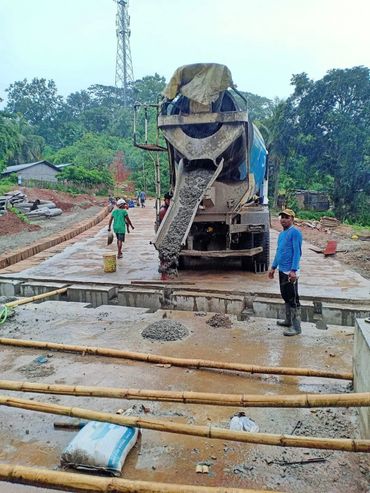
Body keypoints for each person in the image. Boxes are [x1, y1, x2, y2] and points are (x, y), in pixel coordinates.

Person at [268, 208, 303, 336]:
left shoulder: (295, 233)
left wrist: (293, 270)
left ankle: (296, 327)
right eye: (282, 217)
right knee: (285, 296)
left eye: (286, 217)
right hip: (282, 270)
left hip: (290, 271)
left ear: (292, 219)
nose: (283, 219)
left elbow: (297, 252)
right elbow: (279, 252)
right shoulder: (282, 234)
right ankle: (288, 321)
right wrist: (273, 267)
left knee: (293, 298)